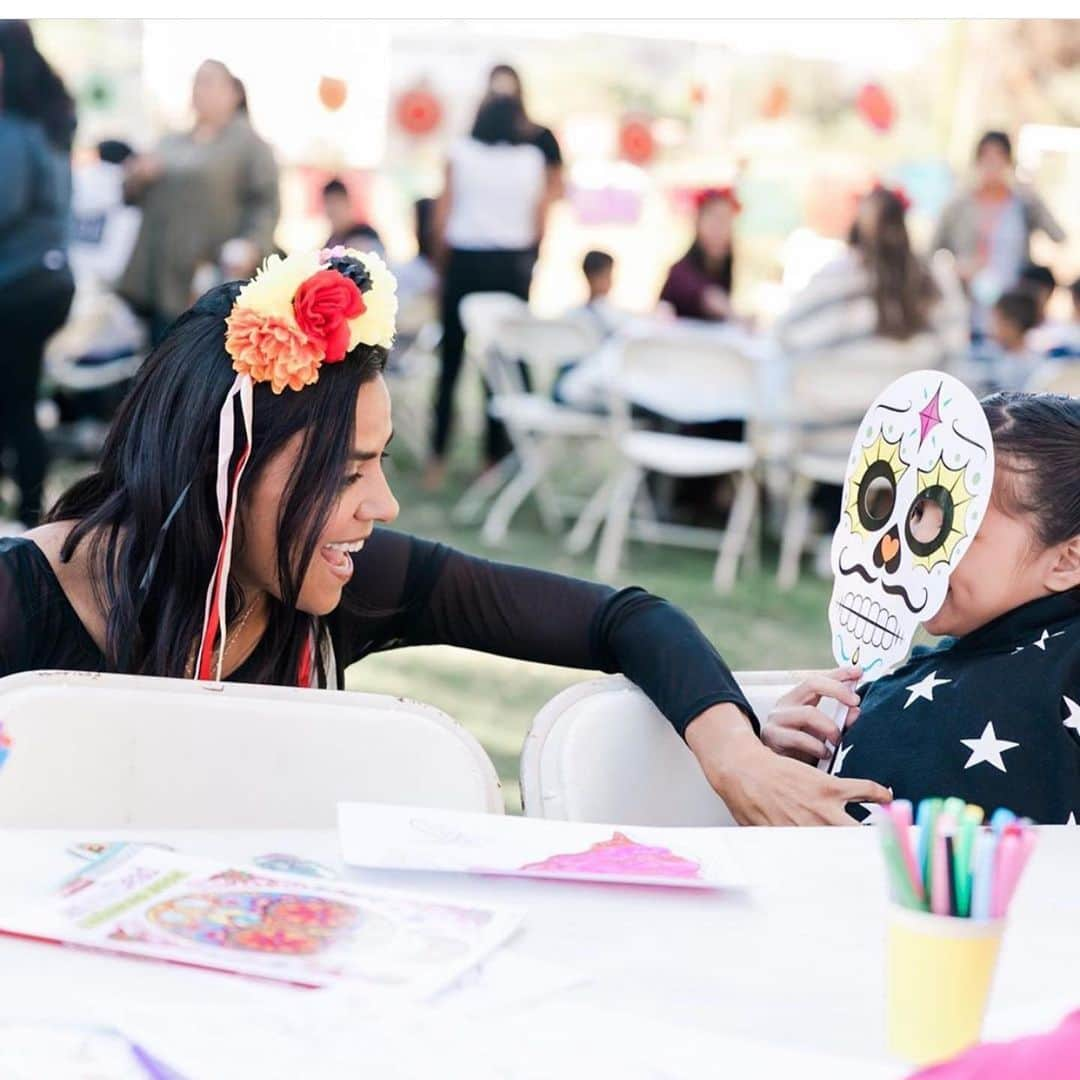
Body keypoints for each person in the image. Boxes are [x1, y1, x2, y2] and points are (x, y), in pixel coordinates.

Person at [0, 248, 890, 827]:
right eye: (346, 471)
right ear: (223, 467)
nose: (382, 504)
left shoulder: (339, 583)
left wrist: (735, 754)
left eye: (380, 462)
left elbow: (624, 617)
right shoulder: (21, 600)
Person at [763, 392, 1080, 824]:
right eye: (917, 511)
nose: (911, 547)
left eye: (954, 524)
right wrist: (785, 766)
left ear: (1066, 561)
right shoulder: (888, 676)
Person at [427, 95, 549, 489]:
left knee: (449, 363)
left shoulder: (460, 153)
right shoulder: (531, 159)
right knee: (504, 364)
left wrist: (441, 266)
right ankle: (493, 459)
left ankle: (438, 456)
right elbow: (540, 217)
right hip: (510, 263)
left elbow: (443, 214)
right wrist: (531, 260)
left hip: (465, 260)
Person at [118, 58, 280, 344]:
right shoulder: (171, 142)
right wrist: (138, 176)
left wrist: (251, 244)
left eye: (210, 82)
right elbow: (131, 194)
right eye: (197, 82)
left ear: (234, 92)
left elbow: (265, 203)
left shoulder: (249, 145)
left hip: (209, 277)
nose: (200, 90)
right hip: (161, 273)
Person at [0, 20, 77, 528]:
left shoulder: (13, 128)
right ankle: (30, 510)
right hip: (47, 282)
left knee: (17, 405)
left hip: (17, 287)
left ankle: (30, 515)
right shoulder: (49, 124)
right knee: (18, 400)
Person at [775, 185, 967, 362]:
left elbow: (788, 335)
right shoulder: (934, 278)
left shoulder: (837, 276)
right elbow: (955, 343)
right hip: (912, 392)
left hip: (839, 391)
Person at [931, 131, 1065, 335]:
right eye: (986, 157)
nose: (992, 165)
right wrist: (955, 268)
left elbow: (1059, 237)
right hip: (969, 311)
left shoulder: (1023, 203)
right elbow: (930, 254)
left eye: (998, 157)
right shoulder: (958, 206)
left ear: (1008, 162)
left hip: (1015, 315)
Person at [659, 187, 738, 321]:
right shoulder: (681, 270)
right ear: (699, 221)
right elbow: (710, 297)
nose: (721, 228)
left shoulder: (725, 263)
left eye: (726, 220)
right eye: (715, 219)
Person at [322, 177, 383, 257]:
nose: (333, 210)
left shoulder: (365, 234)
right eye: (329, 204)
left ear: (347, 204)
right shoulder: (331, 242)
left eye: (337, 204)